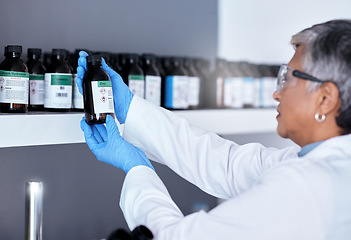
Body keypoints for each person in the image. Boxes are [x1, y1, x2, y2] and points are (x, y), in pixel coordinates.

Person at [76, 19, 351, 240]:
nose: (277, 94)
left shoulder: (306, 185)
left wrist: (137, 169)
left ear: (325, 98)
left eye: (287, 79)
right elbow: (228, 164)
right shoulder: (324, 165)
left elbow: (172, 237)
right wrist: (131, 109)